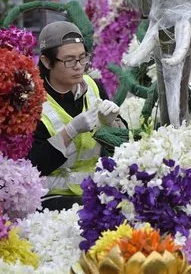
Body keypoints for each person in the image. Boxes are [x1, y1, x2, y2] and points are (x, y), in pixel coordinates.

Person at [29, 21, 126, 210]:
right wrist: (70, 131)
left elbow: (125, 144)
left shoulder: (93, 86)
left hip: (94, 189)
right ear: (47, 61)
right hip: (52, 198)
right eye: (69, 60)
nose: (79, 66)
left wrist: (112, 125)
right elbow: (33, 166)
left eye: (83, 58)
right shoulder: (32, 101)